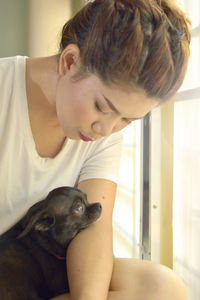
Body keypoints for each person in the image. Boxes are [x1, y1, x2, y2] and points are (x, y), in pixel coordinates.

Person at [0, 0, 190, 299]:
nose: (107, 129)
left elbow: (94, 230)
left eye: (127, 119)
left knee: (162, 288)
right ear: (70, 61)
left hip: (32, 269)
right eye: (102, 106)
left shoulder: (104, 133)